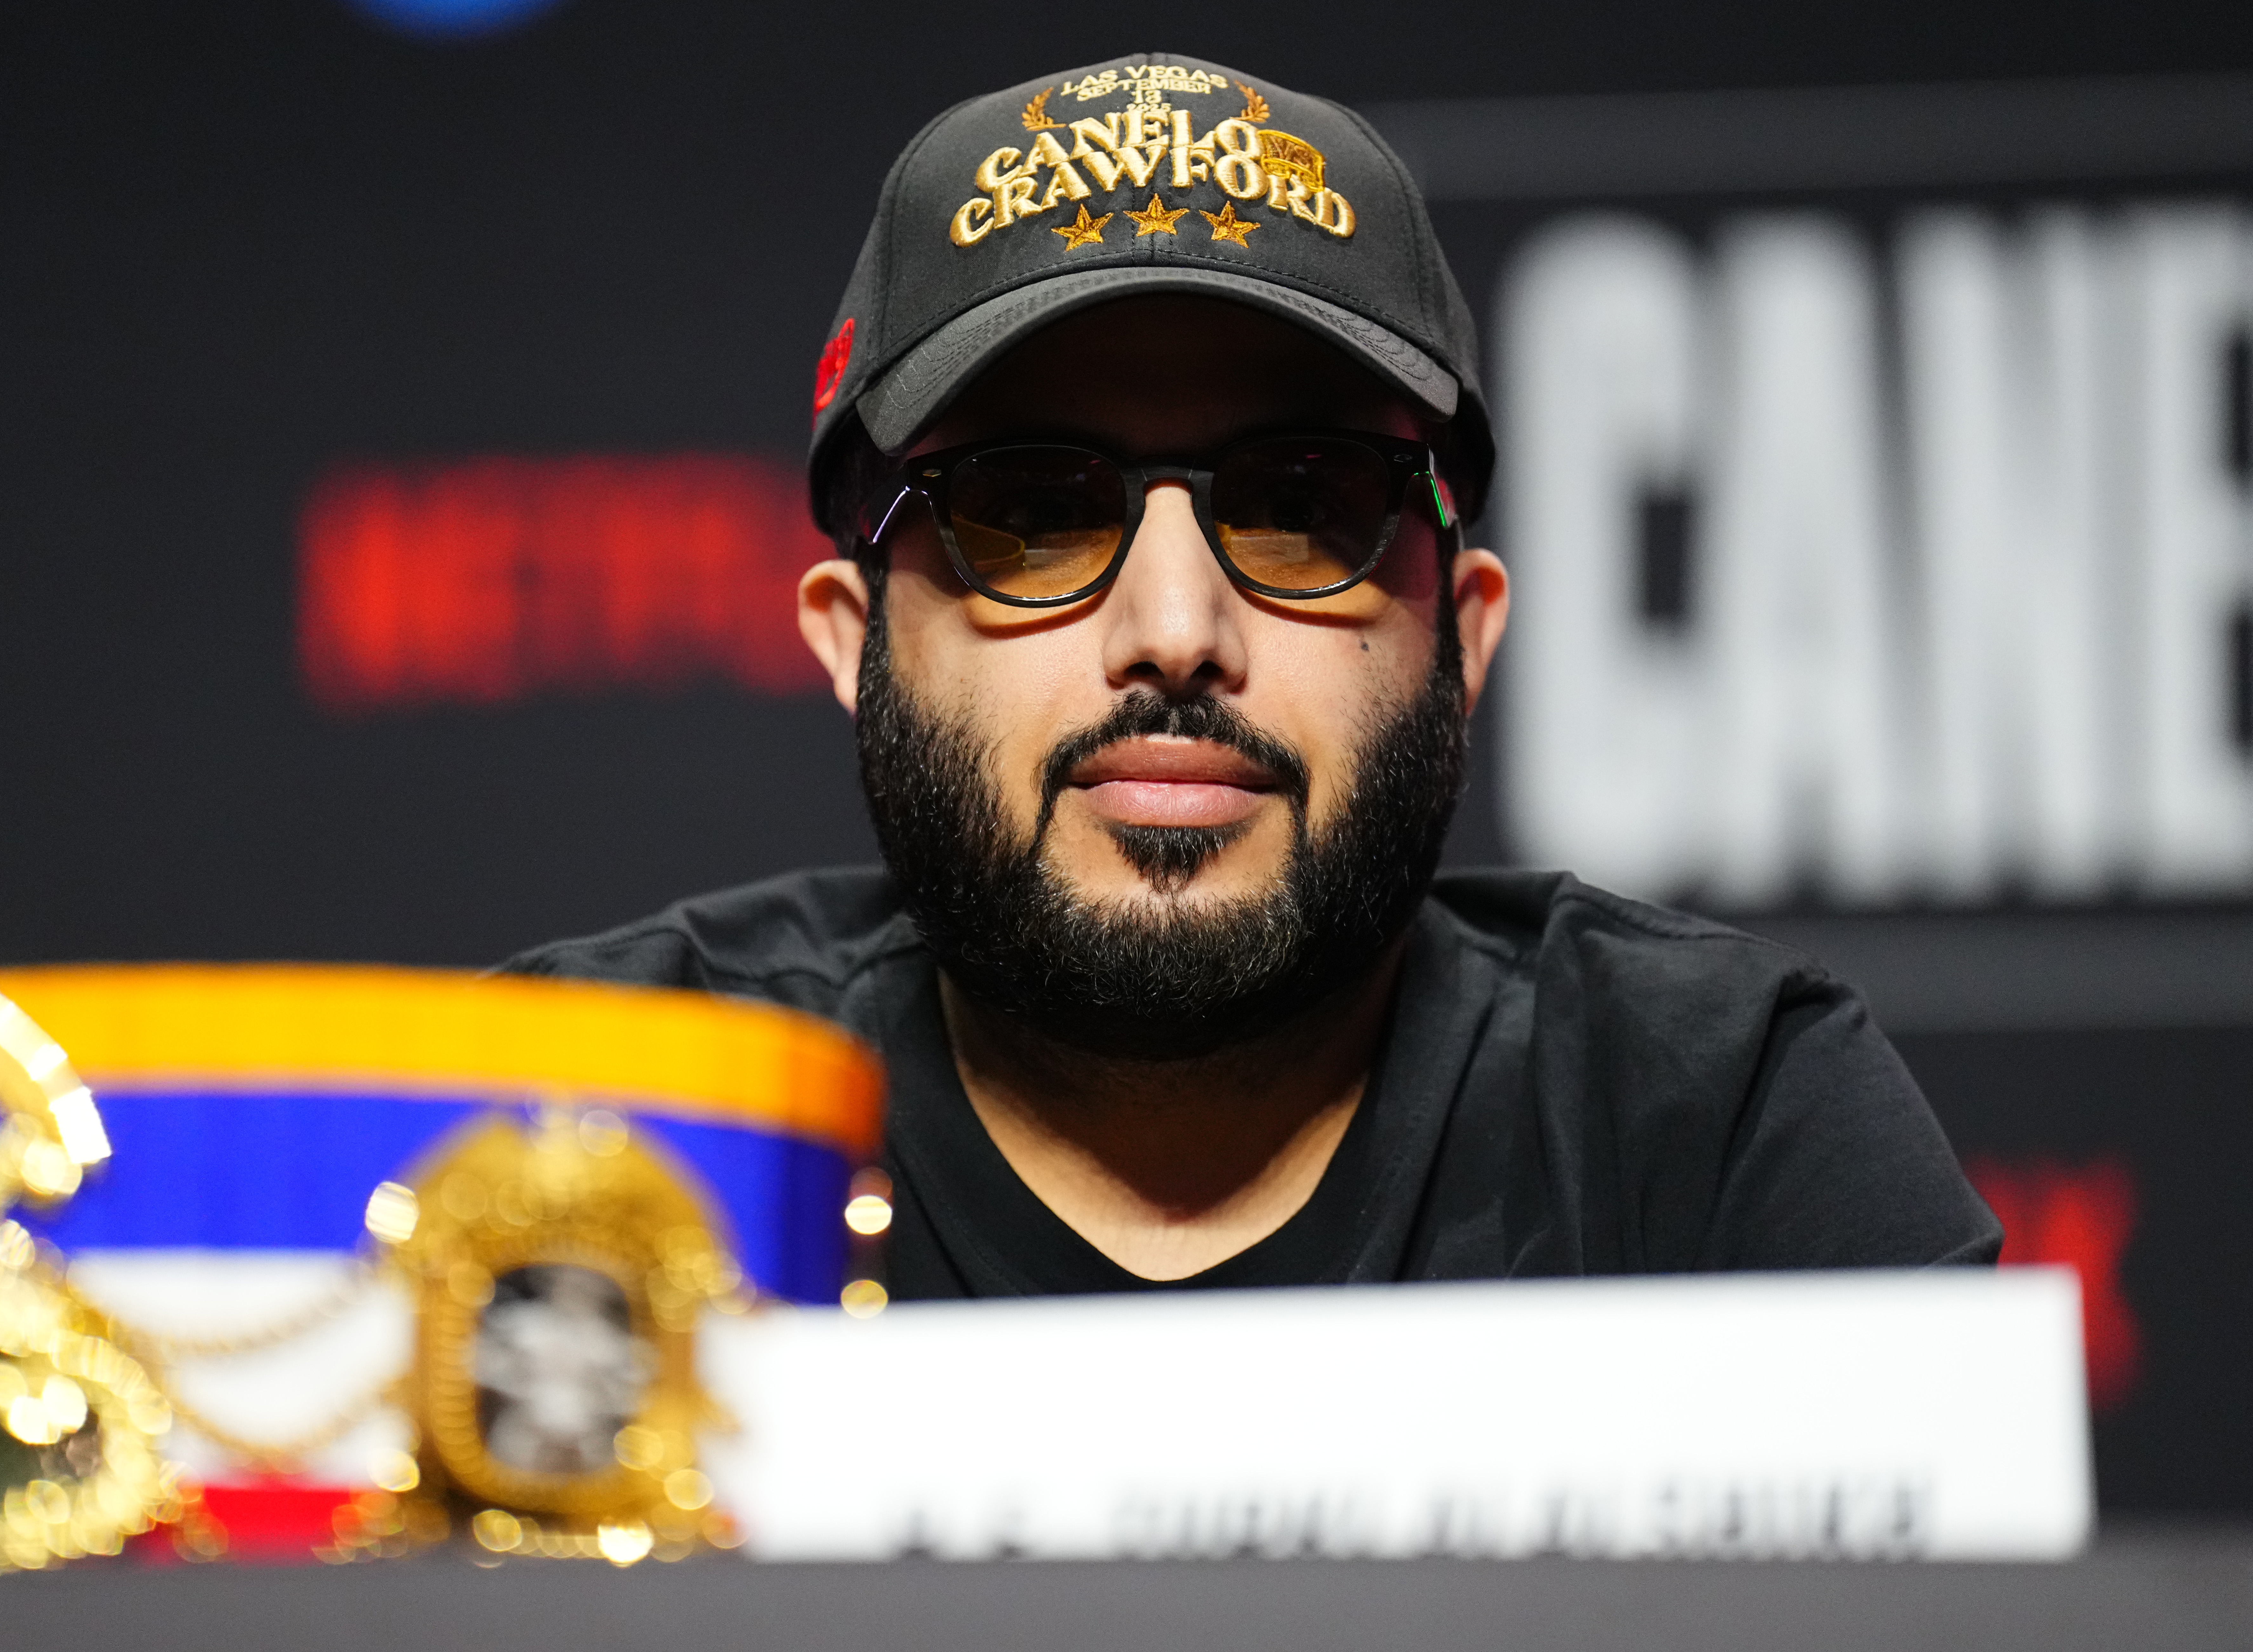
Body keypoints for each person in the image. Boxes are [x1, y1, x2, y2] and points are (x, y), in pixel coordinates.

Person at [509, 55, 2000, 1296]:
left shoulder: (1722, 1128)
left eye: (1307, 506)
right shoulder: (575, 1127)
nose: (1175, 626)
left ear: (1464, 641)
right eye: (1029, 512)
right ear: (854, 643)